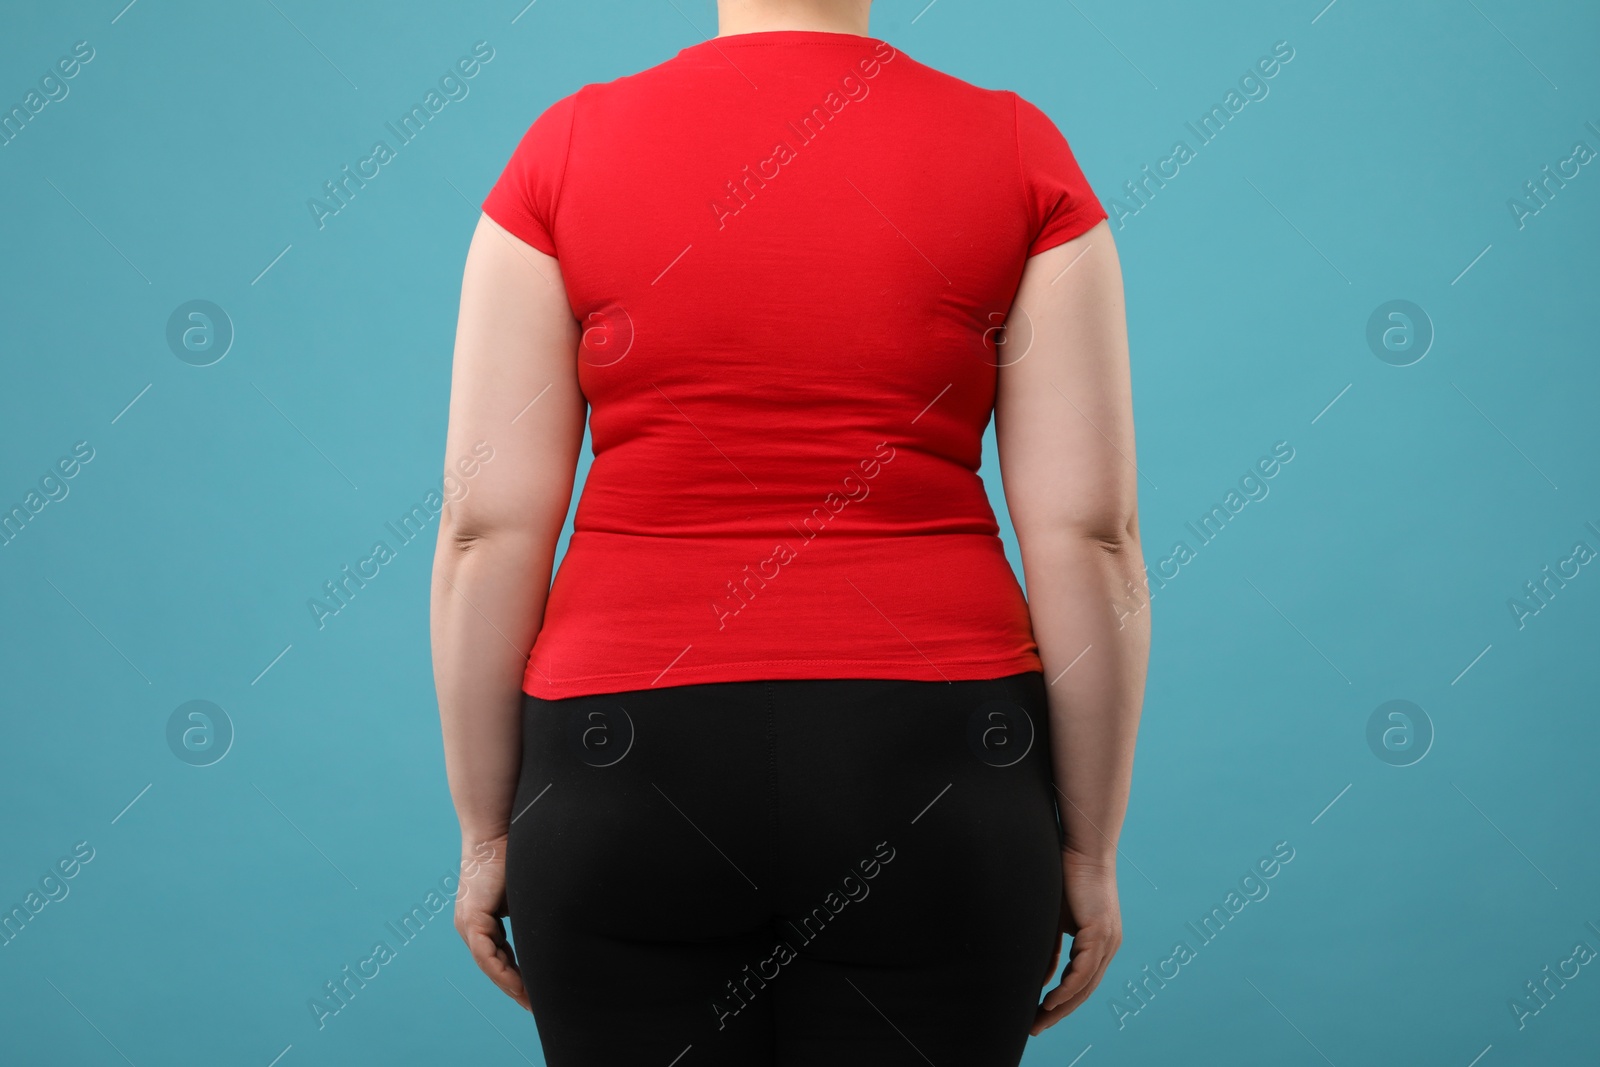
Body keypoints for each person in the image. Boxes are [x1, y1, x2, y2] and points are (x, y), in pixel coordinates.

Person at [429, 0, 1148, 1062]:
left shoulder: (564, 151)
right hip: (933, 764)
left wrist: (487, 830)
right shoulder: (1013, 150)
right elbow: (1091, 535)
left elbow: (485, 529)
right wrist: (1087, 846)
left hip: (622, 763)